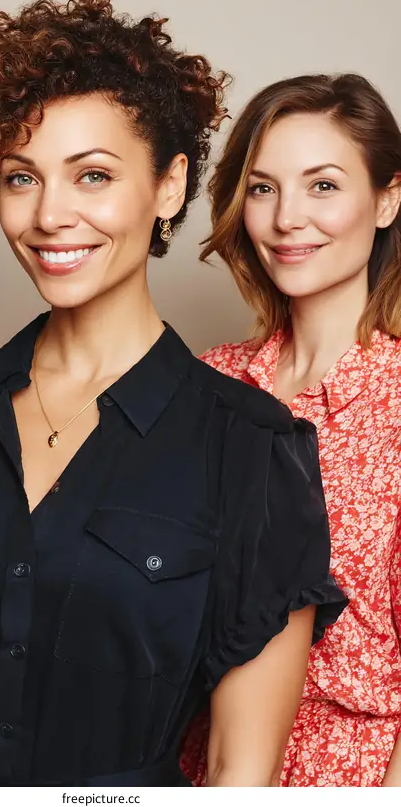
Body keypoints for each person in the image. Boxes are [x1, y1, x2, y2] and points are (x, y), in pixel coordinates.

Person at [0, 0, 345, 787]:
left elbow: (237, 770)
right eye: (21, 177)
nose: (50, 215)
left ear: (169, 185)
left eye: (93, 175)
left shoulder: (252, 449)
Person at [181, 73, 401, 787]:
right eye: (264, 188)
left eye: (324, 186)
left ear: (388, 199)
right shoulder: (206, 386)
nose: (286, 219)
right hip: (199, 769)